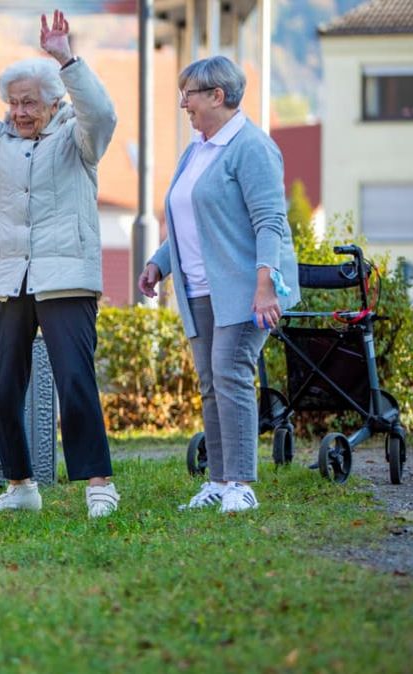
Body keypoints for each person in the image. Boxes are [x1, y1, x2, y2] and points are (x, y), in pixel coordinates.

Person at [0, 8, 121, 518]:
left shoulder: (78, 139)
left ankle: (98, 484)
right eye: (14, 103)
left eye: (30, 104)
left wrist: (65, 57)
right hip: (11, 278)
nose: (19, 112)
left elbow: (102, 114)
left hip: (66, 279)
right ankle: (20, 486)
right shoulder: (1, 142)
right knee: (2, 383)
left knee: (75, 381)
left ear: (55, 102)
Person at [138, 55, 300, 513]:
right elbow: (190, 220)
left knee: (231, 374)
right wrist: (159, 263)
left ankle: (242, 484)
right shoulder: (197, 150)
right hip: (198, 288)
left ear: (217, 95)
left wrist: (266, 283)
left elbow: (270, 220)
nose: (183, 104)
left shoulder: (251, 147)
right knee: (212, 382)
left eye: (188, 94)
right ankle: (219, 480)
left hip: (246, 288)